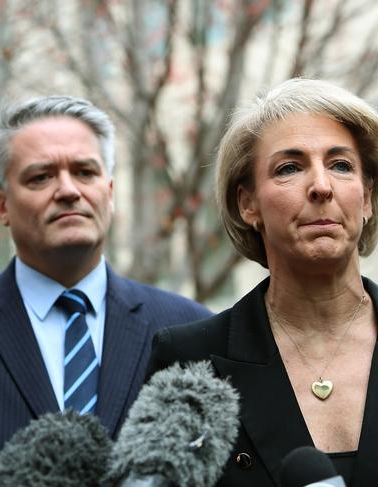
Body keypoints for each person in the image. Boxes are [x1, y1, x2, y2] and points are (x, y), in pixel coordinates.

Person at [0, 95, 211, 456]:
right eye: (41, 177)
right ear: (2, 206)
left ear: (110, 193)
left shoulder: (189, 330)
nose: (69, 191)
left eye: (85, 172)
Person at [147, 78, 378, 486]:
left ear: (369, 198)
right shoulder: (189, 362)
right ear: (247, 203)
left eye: (341, 165)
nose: (321, 186)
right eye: (289, 168)